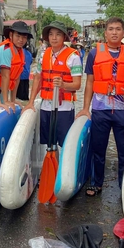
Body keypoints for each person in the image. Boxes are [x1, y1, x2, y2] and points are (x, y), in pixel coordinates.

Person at [77, 17, 124, 196]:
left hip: (123, 111)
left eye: (118, 29)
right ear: (105, 33)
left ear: (123, 33)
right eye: (111, 29)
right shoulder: (93, 54)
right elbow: (89, 83)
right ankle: (97, 183)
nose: (114, 32)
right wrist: (85, 108)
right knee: (98, 149)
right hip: (100, 110)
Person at [24, 21, 82, 151]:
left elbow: (77, 85)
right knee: (49, 144)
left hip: (64, 108)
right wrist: (31, 102)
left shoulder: (73, 57)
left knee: (65, 144)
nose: (54, 38)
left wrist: (63, 84)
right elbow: (38, 79)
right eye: (51, 34)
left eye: (58, 34)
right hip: (46, 106)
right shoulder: (44, 55)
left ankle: (63, 168)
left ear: (64, 37)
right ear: (47, 37)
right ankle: (52, 166)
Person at [0, 21, 33, 105]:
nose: (21, 40)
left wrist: (12, 100)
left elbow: (17, 77)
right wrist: (5, 101)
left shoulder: (20, 51)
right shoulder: (6, 49)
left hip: (4, 90)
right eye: (18, 36)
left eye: (24, 37)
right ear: (11, 35)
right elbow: (5, 76)